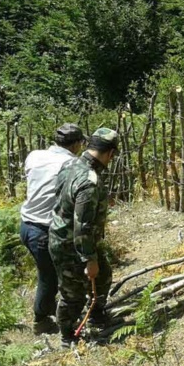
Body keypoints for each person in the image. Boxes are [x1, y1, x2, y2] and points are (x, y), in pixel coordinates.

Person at [49, 128, 118, 347]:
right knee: (72, 294)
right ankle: (68, 336)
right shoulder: (90, 181)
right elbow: (83, 226)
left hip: (75, 240)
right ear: (110, 153)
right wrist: (89, 259)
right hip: (70, 245)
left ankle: (97, 313)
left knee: (104, 275)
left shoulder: (71, 164)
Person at [19, 123, 85, 335]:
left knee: (48, 273)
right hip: (45, 229)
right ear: (76, 144)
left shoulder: (34, 155)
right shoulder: (71, 163)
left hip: (26, 224)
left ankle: (55, 311)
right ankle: (42, 320)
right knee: (50, 277)